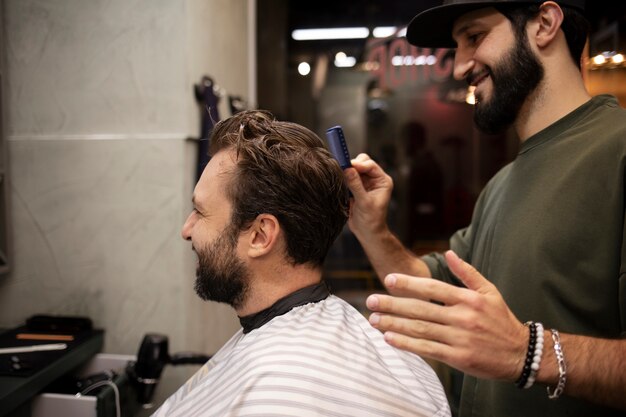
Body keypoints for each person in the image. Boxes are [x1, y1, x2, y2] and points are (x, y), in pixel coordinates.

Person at [343, 1, 626, 416]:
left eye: (474, 37)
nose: (460, 68)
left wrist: (529, 353)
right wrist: (372, 228)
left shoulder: (617, 152)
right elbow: (436, 292)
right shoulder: (500, 185)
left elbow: (512, 346)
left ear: (545, 24)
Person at [152, 110, 451, 416]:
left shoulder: (273, 396)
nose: (186, 230)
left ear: (260, 235)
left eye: (200, 212)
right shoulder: (406, 368)